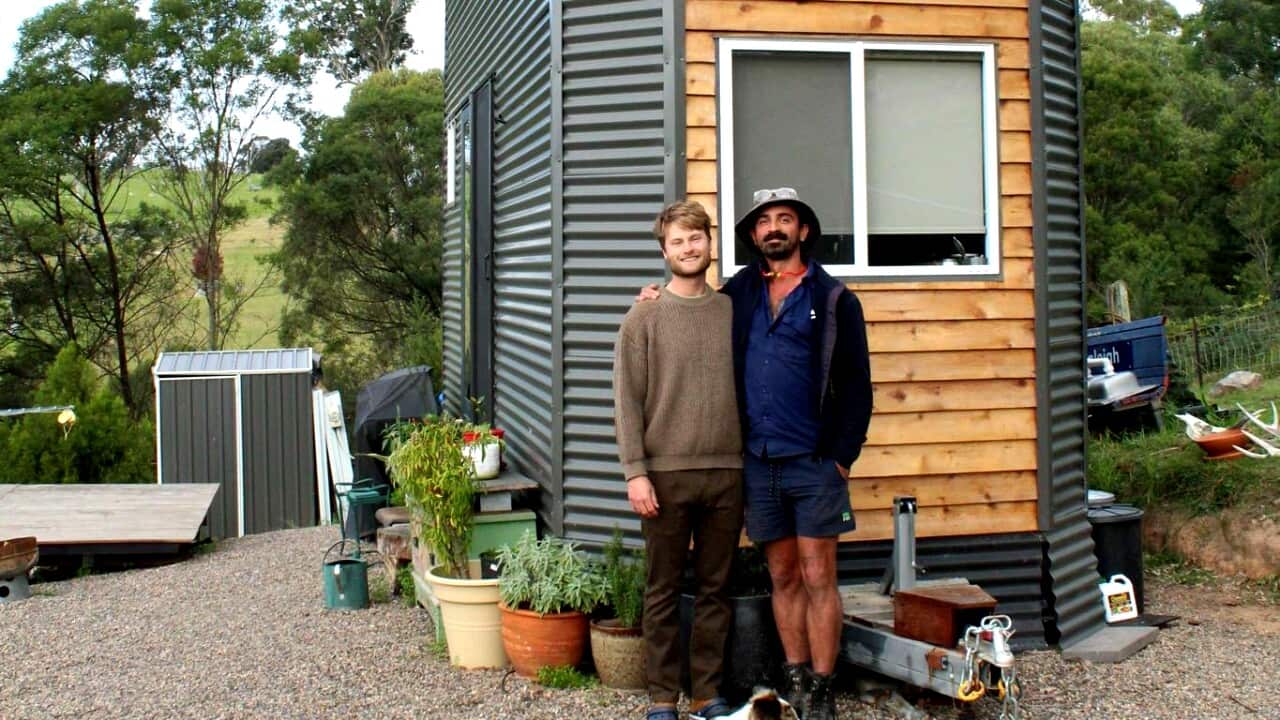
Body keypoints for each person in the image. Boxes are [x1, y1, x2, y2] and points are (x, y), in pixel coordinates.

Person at [636, 188, 872, 720]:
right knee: (783, 577)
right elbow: (690, 303)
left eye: (784, 220)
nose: (774, 229)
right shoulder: (739, 293)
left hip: (815, 464)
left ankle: (822, 689)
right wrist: (653, 298)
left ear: (803, 230)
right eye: (764, 222)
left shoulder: (834, 299)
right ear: (753, 236)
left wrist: (841, 456)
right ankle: (793, 677)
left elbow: (858, 387)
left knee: (818, 578)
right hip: (758, 463)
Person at [613, 200, 745, 720]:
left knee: (717, 589)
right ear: (663, 250)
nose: (688, 248)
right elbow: (626, 400)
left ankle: (707, 694)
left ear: (710, 244)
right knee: (663, 589)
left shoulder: (735, 310)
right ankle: (662, 697)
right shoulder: (643, 316)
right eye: (677, 241)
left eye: (696, 238)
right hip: (663, 476)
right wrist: (635, 472)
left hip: (727, 472)